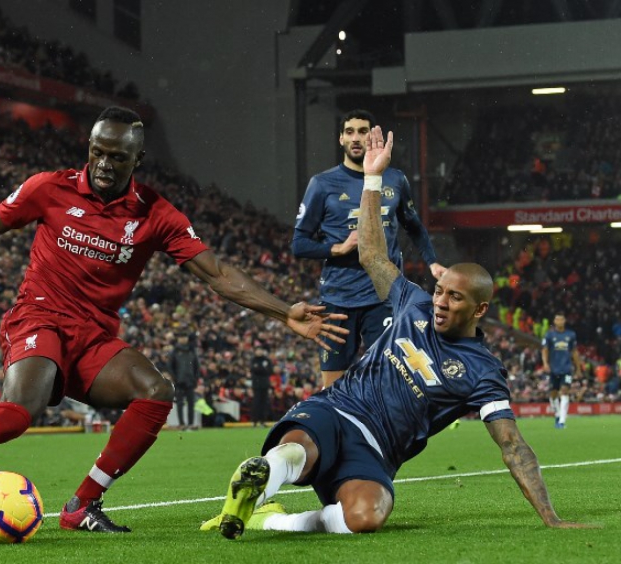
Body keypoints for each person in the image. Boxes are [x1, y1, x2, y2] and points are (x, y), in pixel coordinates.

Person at [0, 106, 347, 536]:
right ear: (89, 148)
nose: (105, 164)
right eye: (98, 152)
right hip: (38, 315)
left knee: (156, 391)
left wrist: (285, 313)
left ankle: (82, 504)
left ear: (137, 160)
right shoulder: (49, 188)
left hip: (93, 337)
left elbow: (216, 274)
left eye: (118, 157)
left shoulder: (155, 213)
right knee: (19, 412)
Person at [201, 125, 591, 539]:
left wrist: (551, 516)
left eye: (455, 299)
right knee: (298, 450)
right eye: (440, 291)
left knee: (367, 516)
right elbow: (371, 253)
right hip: (334, 411)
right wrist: (373, 179)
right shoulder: (413, 301)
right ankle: (262, 477)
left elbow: (512, 446)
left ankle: (270, 516)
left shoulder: (483, 373)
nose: (440, 301)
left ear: (479, 309)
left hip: (375, 451)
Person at [292, 109, 446, 389]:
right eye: (349, 131)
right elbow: (299, 244)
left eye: (363, 131)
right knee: (332, 388)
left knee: (391, 379)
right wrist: (338, 248)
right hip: (338, 298)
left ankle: (388, 431)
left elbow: (413, 225)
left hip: (383, 295)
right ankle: (338, 431)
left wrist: (432, 262)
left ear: (371, 137)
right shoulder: (322, 184)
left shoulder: (395, 180)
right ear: (340, 138)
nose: (356, 138)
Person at [541, 313, 582, 429]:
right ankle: (557, 414)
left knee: (564, 391)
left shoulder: (571, 335)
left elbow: (574, 352)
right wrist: (545, 363)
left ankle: (562, 421)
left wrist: (578, 368)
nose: (559, 321)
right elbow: (544, 350)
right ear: (554, 321)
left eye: (561, 319)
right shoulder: (549, 335)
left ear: (564, 321)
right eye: (557, 319)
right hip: (553, 368)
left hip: (566, 368)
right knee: (553, 394)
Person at [167, 331, 201, 430]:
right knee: (180, 403)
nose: (183, 339)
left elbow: (196, 366)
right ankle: (182, 423)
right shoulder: (175, 351)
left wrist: (196, 379)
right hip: (179, 381)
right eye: (181, 337)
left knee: (191, 403)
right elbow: (170, 366)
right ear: (178, 339)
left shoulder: (192, 350)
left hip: (190, 380)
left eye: (185, 336)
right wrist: (175, 378)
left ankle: (190, 423)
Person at [249, 347, 272, 427]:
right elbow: (253, 369)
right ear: (255, 351)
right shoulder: (253, 360)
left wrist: (259, 369)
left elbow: (270, 371)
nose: (259, 352)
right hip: (256, 385)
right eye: (258, 350)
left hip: (265, 385)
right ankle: (254, 421)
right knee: (256, 403)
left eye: (261, 350)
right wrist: (263, 369)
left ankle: (263, 421)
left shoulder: (266, 360)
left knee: (264, 403)